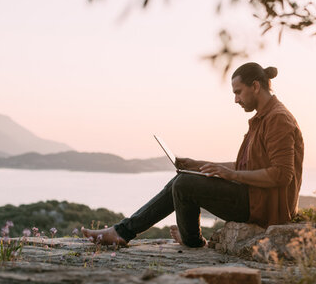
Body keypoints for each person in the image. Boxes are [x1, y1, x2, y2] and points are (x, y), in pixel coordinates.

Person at [83, 62, 304, 247]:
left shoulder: (277, 119)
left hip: (265, 206)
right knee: (183, 178)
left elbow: (282, 175)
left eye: (238, 92)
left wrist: (230, 175)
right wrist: (197, 164)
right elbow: (246, 164)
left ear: (255, 86)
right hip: (253, 197)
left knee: (184, 184)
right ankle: (124, 231)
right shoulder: (263, 118)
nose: (236, 99)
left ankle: (191, 241)